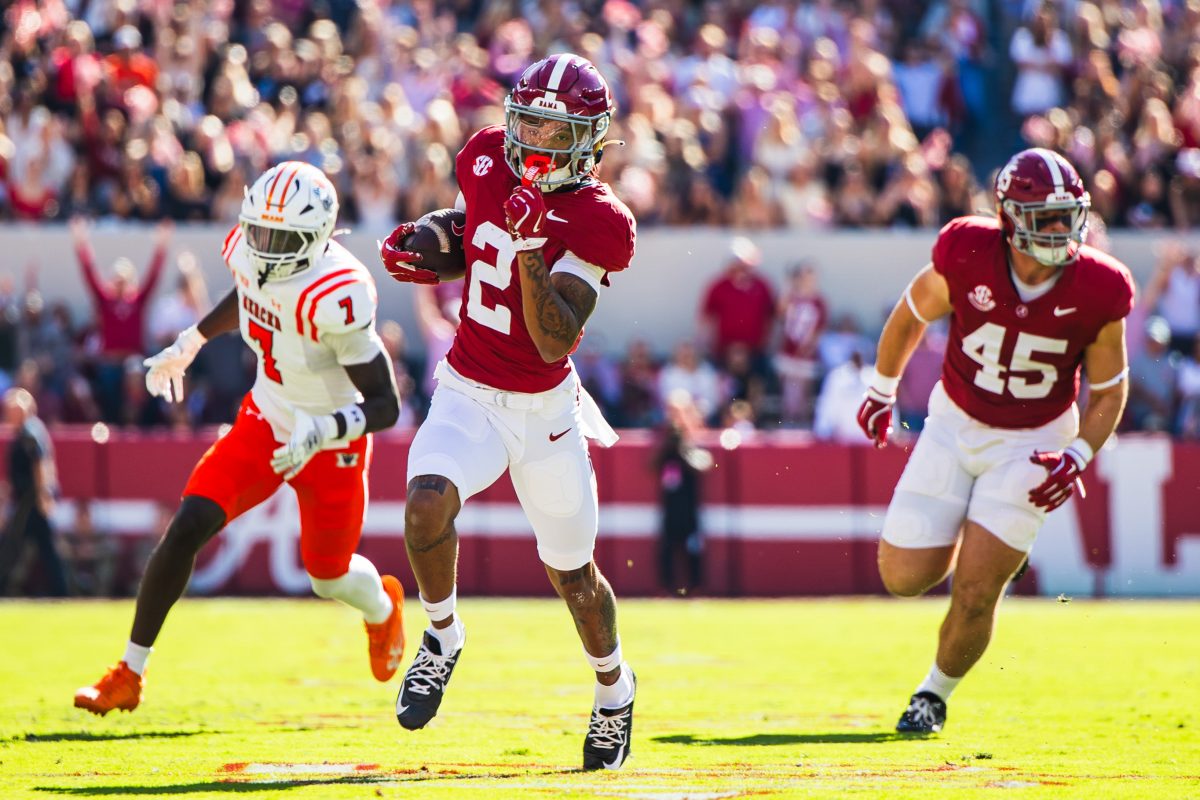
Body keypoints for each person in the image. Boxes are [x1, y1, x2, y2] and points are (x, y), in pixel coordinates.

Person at [379, 53, 637, 770]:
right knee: (426, 504)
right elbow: (475, 233)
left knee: (575, 578)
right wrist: (430, 243)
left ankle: (615, 690)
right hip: (468, 387)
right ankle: (442, 635)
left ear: (588, 141)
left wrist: (528, 244)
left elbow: (554, 336)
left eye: (553, 131)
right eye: (525, 121)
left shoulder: (601, 222)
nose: (533, 140)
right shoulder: (487, 158)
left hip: (544, 406)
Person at [74, 161, 406, 715]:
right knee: (188, 525)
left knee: (328, 575)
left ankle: (381, 609)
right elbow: (251, 296)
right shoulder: (252, 251)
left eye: (281, 238)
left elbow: (386, 405)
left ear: (318, 237)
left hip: (333, 442)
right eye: (260, 232)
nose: (265, 247)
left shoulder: (338, 292)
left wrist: (323, 429)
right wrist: (192, 340)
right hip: (266, 417)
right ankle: (129, 671)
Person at [857, 148, 1133, 733]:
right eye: (1045, 217)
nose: (1061, 230)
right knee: (903, 577)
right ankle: (977, 524)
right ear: (1009, 219)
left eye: (1068, 215)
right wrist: (882, 389)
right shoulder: (966, 250)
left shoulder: (1101, 285)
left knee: (977, 590)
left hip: (1033, 441)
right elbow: (911, 315)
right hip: (955, 424)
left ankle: (933, 693)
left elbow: (1109, 390)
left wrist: (1080, 453)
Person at [71, 216, 170, 422]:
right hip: (108, 364)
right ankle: (110, 422)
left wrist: (161, 246)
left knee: (134, 370)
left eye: (124, 278)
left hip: (133, 362)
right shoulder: (105, 300)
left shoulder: (137, 301)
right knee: (105, 393)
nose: (120, 282)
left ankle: (134, 421)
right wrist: (81, 243)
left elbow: (153, 277)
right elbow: (89, 273)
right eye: (116, 278)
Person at [0, 388, 67, 597]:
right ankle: (61, 589)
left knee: (12, 544)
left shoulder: (29, 432)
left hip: (29, 499)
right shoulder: (32, 429)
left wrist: (43, 495)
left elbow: (40, 464)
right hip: (30, 497)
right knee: (45, 547)